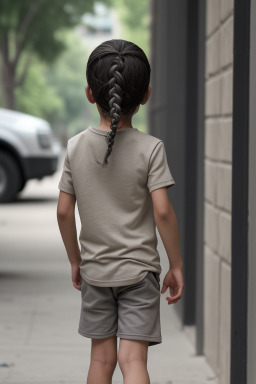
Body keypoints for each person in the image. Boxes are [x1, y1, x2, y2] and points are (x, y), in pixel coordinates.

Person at [57, 39, 184, 384]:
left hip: (96, 271)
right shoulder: (151, 149)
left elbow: (65, 212)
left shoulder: (75, 148)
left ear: (89, 93)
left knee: (101, 360)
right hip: (140, 273)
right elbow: (162, 212)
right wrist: (176, 264)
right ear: (146, 95)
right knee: (133, 360)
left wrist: (75, 259)